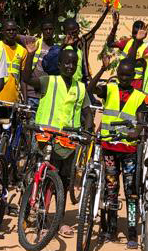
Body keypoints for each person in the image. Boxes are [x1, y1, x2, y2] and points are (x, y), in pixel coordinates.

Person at [20, 39, 93, 238]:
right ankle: (37, 217)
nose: (70, 66)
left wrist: (87, 130)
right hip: (45, 138)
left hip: (68, 141)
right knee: (42, 179)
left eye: (73, 63)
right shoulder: (48, 81)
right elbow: (26, 78)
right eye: (66, 63)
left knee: (63, 182)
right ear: (59, 65)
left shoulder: (80, 88)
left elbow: (87, 112)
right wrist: (30, 55)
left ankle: (58, 220)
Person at [88, 55, 148, 248]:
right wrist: (102, 69)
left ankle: (132, 232)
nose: (124, 78)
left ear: (133, 76)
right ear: (117, 74)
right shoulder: (109, 89)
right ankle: (111, 228)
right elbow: (90, 89)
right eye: (121, 74)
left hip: (129, 150)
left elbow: (141, 121)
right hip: (109, 148)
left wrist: (137, 132)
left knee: (131, 191)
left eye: (128, 75)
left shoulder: (139, 97)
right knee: (111, 189)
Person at [0, 19, 27, 105]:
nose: (11, 32)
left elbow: (23, 79)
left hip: (14, 101)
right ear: (3, 31)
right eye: (8, 30)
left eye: (14, 30)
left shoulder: (22, 50)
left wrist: (25, 101)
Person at [112, 21, 148, 87]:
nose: (136, 36)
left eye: (137, 33)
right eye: (134, 33)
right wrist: (114, 27)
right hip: (121, 81)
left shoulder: (146, 48)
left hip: (136, 83)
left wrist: (137, 41)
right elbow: (110, 44)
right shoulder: (128, 42)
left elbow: (131, 63)